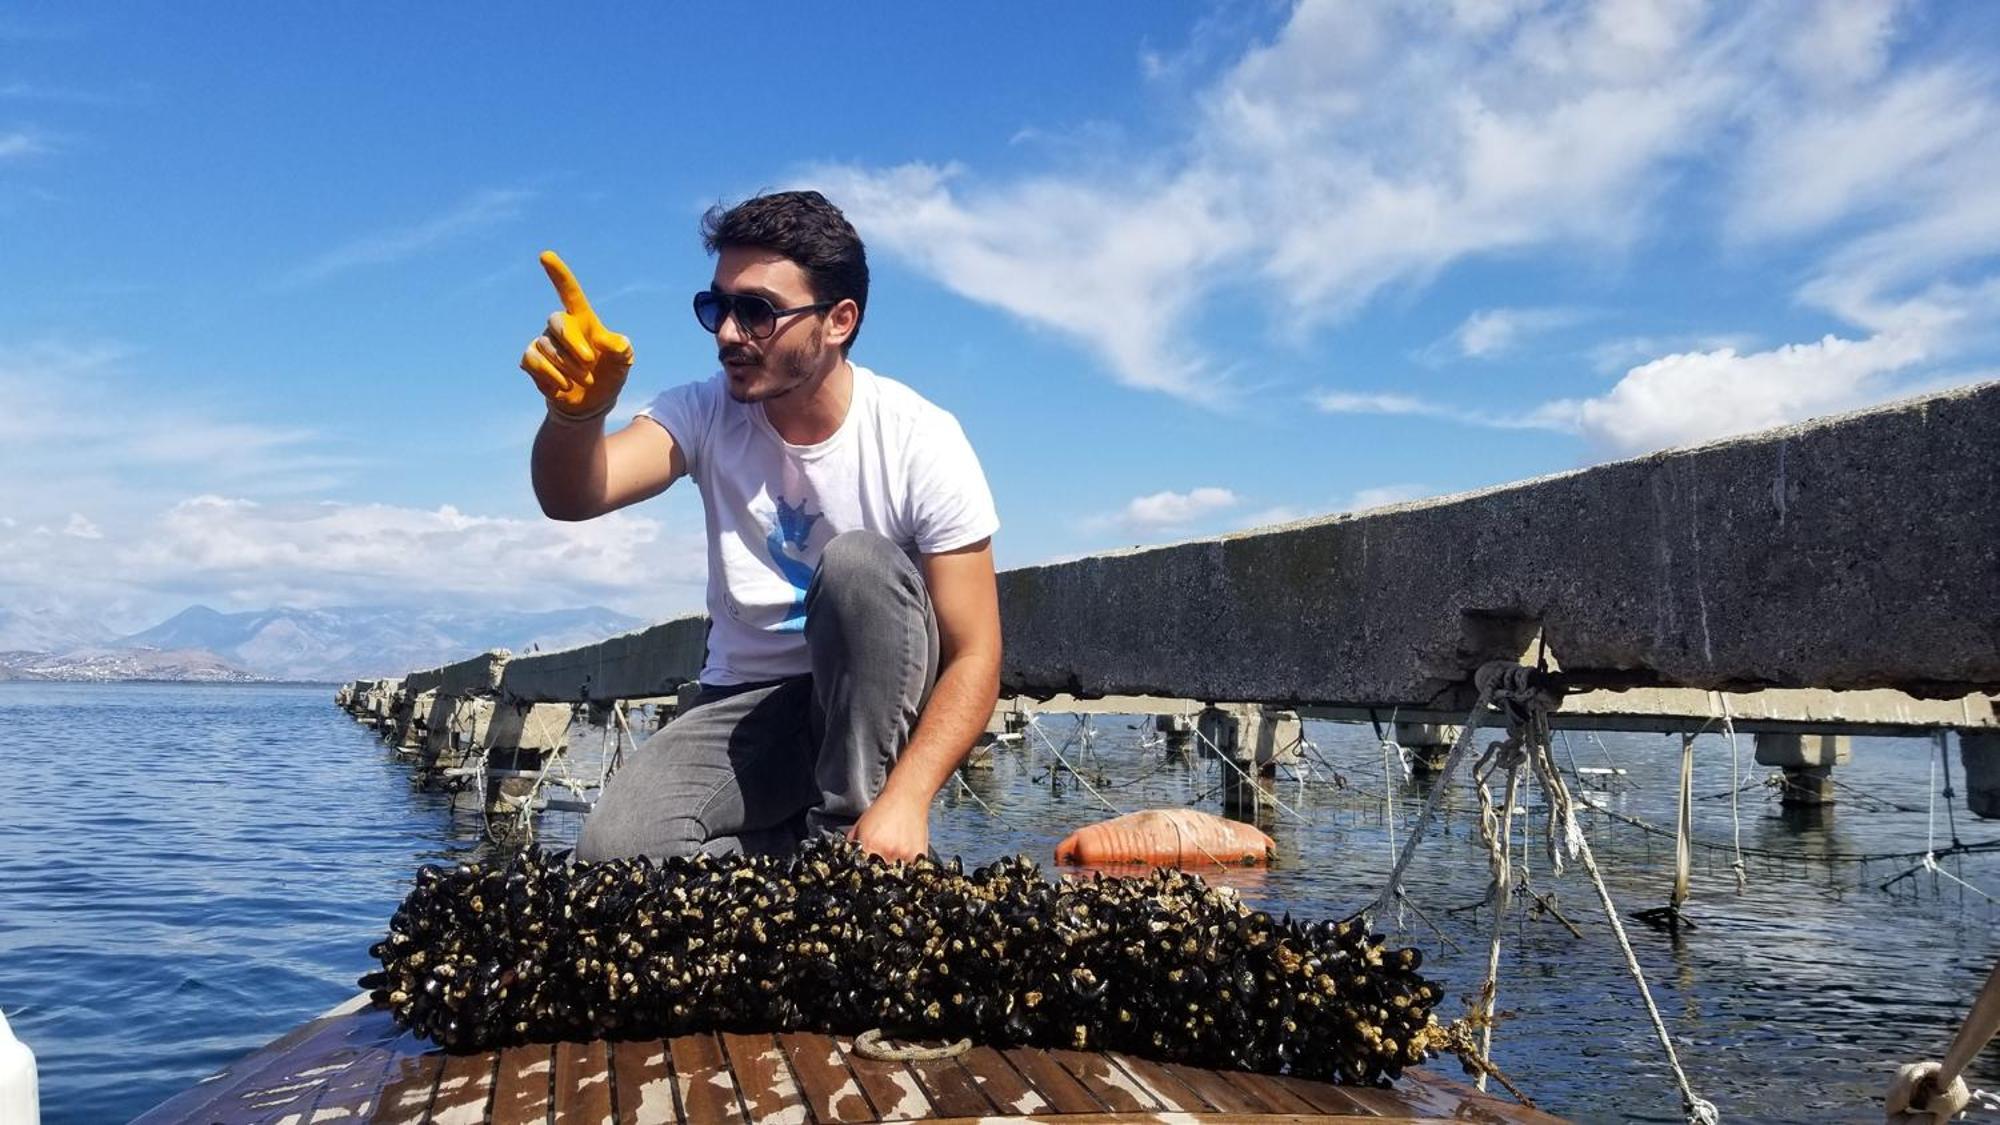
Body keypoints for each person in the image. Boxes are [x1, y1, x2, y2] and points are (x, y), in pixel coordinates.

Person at [520, 190, 1001, 864]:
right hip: (743, 706)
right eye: (716, 307)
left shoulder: (920, 439)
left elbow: (976, 653)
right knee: (612, 858)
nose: (726, 333)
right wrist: (576, 418)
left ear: (838, 321)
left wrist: (910, 797)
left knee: (859, 564)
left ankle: (847, 845)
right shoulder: (703, 412)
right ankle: (784, 846)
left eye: (757, 311)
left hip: (869, 706)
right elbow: (575, 494)